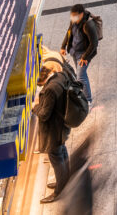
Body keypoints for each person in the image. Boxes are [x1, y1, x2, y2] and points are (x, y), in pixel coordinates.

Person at [34, 59, 73, 204]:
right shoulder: (60, 76)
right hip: (62, 124)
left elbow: (44, 114)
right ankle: (65, 179)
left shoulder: (50, 89)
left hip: (53, 130)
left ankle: (59, 191)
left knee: (56, 158)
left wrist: (35, 107)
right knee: (62, 152)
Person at [60, 4, 98, 105]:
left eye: (75, 16)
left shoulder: (88, 25)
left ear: (81, 14)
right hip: (74, 52)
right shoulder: (74, 20)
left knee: (80, 76)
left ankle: (88, 100)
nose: (73, 18)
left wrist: (85, 57)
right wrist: (63, 46)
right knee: (82, 75)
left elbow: (94, 43)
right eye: (72, 15)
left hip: (84, 54)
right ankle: (85, 94)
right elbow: (69, 32)